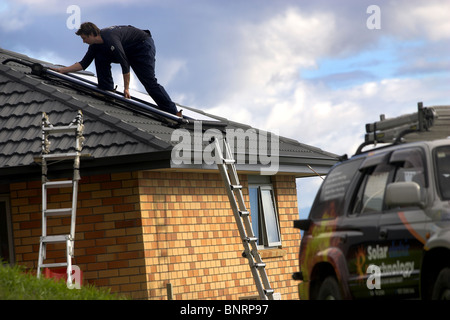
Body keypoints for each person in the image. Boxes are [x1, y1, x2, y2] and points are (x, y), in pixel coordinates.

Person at [54, 22, 181, 116]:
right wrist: (62, 70)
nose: (83, 42)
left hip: (142, 46)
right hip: (127, 49)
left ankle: (172, 111)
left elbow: (124, 64)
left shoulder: (110, 39)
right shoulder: (95, 45)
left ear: (92, 34)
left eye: (84, 38)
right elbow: (84, 64)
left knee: (149, 82)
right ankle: (106, 88)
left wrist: (126, 88)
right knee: (99, 56)